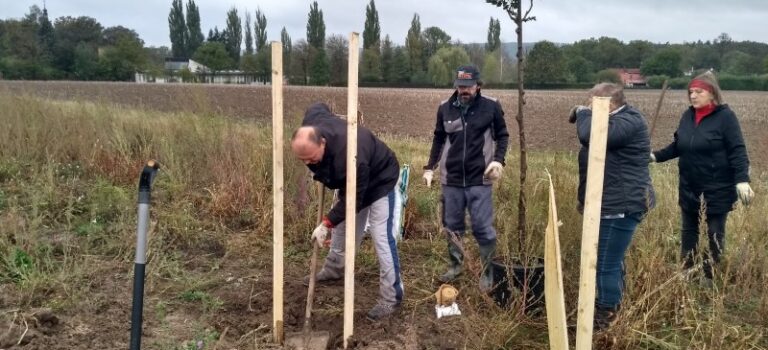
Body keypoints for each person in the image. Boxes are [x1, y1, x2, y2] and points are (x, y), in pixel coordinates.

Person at [292, 102, 404, 321]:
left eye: (312, 159)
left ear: (322, 143)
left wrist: (326, 223)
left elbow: (353, 200)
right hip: (350, 183)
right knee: (343, 229)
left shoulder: (352, 156)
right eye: (303, 160)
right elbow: (317, 106)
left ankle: (391, 298)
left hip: (381, 180)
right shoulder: (312, 125)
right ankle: (335, 269)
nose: (308, 164)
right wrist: (332, 222)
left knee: (382, 238)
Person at [651, 72, 754, 285]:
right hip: (689, 184)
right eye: (691, 92)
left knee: (714, 232)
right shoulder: (687, 116)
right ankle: (687, 270)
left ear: (712, 93)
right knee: (689, 230)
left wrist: (742, 180)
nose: (693, 96)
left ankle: (709, 274)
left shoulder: (726, 118)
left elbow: (737, 150)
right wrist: (655, 156)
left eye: (699, 91)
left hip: (717, 186)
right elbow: (678, 146)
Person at [570, 82, 655, 331]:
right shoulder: (617, 121)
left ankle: (606, 315)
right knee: (612, 259)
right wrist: (584, 199)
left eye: (592, 103)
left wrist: (583, 112)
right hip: (609, 201)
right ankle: (613, 305)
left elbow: (589, 135)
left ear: (609, 105)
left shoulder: (629, 122)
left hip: (622, 204)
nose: (587, 107)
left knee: (604, 262)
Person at [423, 65, 509, 293]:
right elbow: (438, 139)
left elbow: (502, 136)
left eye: (468, 86)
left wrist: (498, 161)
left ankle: (488, 272)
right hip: (450, 179)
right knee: (452, 226)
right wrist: (429, 167)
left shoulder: (491, 106)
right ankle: (455, 266)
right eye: (460, 86)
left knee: (482, 227)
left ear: (478, 86)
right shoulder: (445, 108)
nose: (464, 91)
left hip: (479, 179)